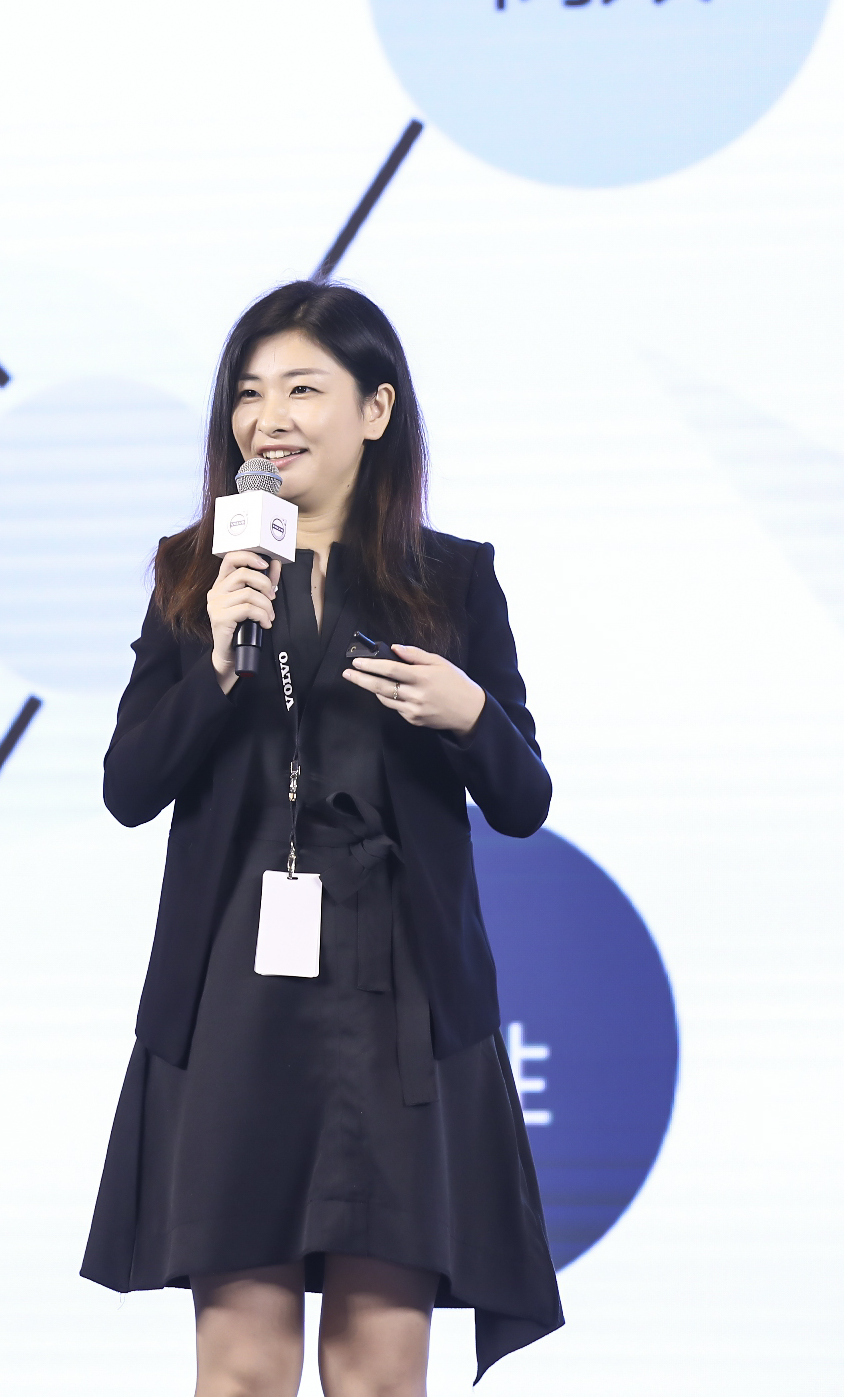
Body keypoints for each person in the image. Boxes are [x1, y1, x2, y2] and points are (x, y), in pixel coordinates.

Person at [82, 282, 563, 1395]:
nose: (270, 419)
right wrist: (212, 665)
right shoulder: (196, 574)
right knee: (243, 1370)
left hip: (400, 994)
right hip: (236, 992)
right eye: (249, 394)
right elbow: (128, 788)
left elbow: (523, 799)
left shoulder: (450, 579)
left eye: (303, 389)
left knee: (379, 1371)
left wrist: (469, 715)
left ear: (376, 410)